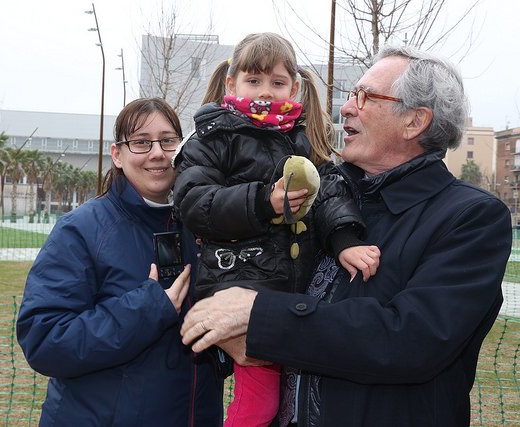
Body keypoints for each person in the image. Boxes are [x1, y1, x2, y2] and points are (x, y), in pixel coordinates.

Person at [180, 45, 512, 427]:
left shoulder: (470, 217)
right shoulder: (323, 192)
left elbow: (410, 339)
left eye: (365, 96)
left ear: (414, 122)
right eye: (352, 94)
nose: (347, 108)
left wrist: (258, 315)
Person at [173, 33, 380, 427]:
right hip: (239, 285)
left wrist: (344, 241)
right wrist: (263, 202)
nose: (265, 92)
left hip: (289, 296)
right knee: (260, 404)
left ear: (294, 88)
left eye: (277, 82)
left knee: (286, 403)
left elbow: (326, 193)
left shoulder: (298, 140)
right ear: (231, 84)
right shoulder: (213, 137)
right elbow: (195, 202)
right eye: (254, 80)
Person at [16, 98, 223, 426]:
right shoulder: (81, 229)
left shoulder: (205, 228)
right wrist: (148, 308)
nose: (157, 153)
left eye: (167, 141)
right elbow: (44, 340)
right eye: (141, 142)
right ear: (117, 155)